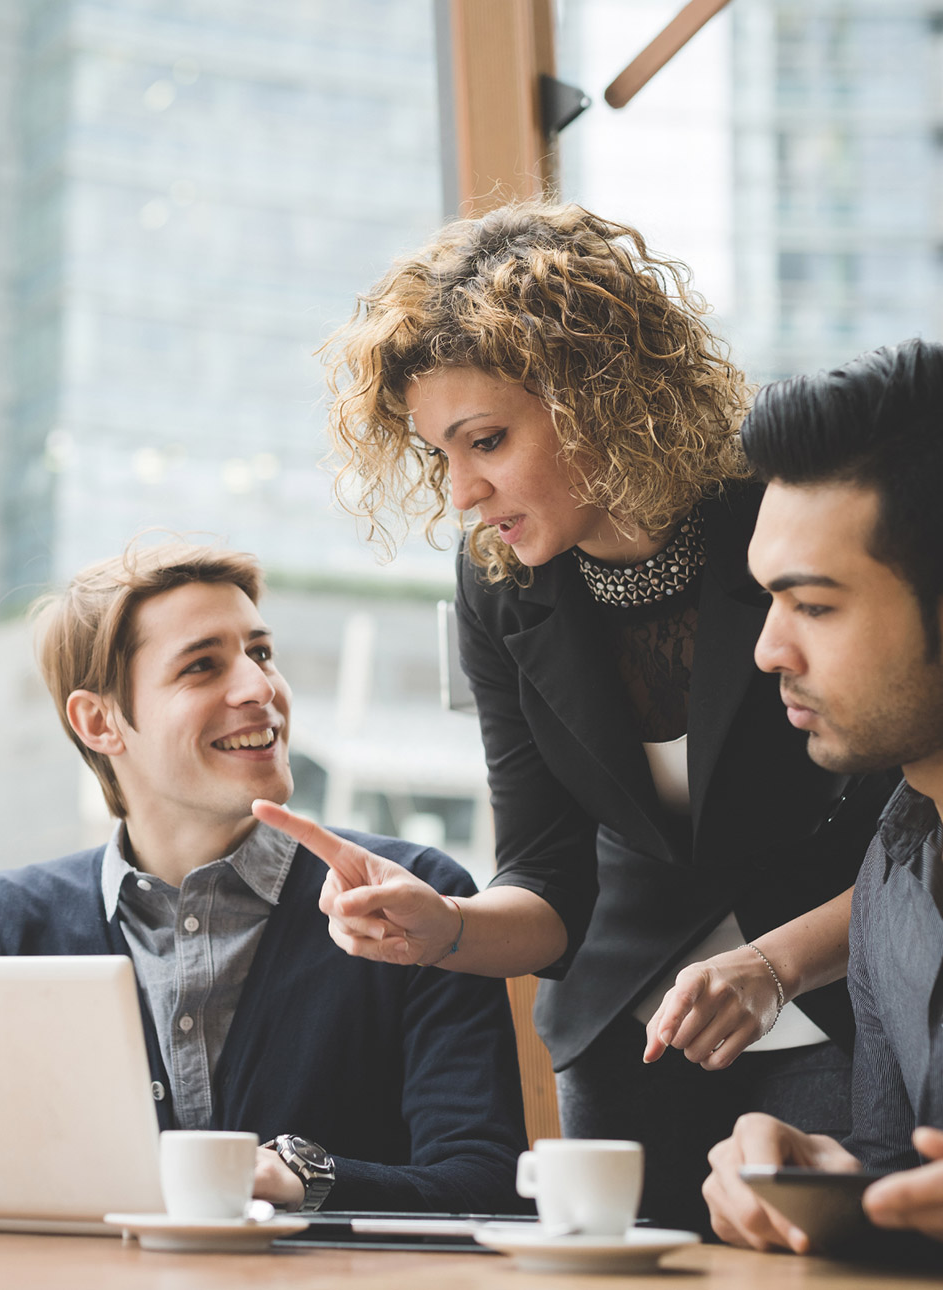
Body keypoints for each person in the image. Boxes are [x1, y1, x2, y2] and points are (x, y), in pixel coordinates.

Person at [254, 201, 895, 1233]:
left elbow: (915, 831)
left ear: (599, 395)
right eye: (439, 457)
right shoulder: (501, 583)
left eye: (489, 441)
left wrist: (777, 961)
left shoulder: (779, 506)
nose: (462, 492)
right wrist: (446, 928)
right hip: (627, 1037)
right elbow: (551, 873)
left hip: (839, 1006)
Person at [0, 541, 527, 1215]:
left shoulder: (414, 897)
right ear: (99, 722)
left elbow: (488, 1184)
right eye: (203, 665)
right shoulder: (2, 926)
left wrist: (308, 1178)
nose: (259, 688)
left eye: (261, 654)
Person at [702, 337, 943, 1251]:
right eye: (770, 601)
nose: (769, 651)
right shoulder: (896, 858)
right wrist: (821, 1176)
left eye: (815, 606)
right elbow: (900, 1167)